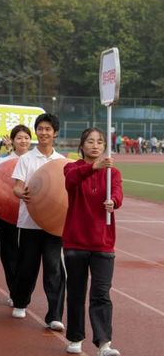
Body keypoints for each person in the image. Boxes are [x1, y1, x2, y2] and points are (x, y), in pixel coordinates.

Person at [63, 128, 123, 356]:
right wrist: (93, 167)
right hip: (76, 242)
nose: (95, 145)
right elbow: (70, 182)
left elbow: (118, 193)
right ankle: (75, 337)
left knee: (101, 293)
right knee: (76, 292)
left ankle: (104, 342)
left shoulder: (113, 173)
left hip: (103, 243)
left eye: (99, 142)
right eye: (90, 141)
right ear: (82, 145)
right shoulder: (72, 167)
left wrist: (113, 202)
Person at [11, 113, 66, 332]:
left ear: (55, 133)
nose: (43, 132)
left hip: (54, 225)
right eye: (40, 128)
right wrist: (20, 193)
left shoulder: (61, 161)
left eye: (48, 129)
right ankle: (20, 301)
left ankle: (54, 314)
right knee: (27, 266)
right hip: (29, 222)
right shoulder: (26, 159)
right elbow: (16, 186)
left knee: (54, 269)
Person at [0, 125, 31, 306]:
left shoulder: (35, 160)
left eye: (26, 137)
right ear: (12, 141)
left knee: (27, 256)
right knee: (9, 253)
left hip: (30, 214)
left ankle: (22, 293)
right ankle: (14, 290)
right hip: (7, 213)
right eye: (19, 137)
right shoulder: (4, 162)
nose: (23, 141)